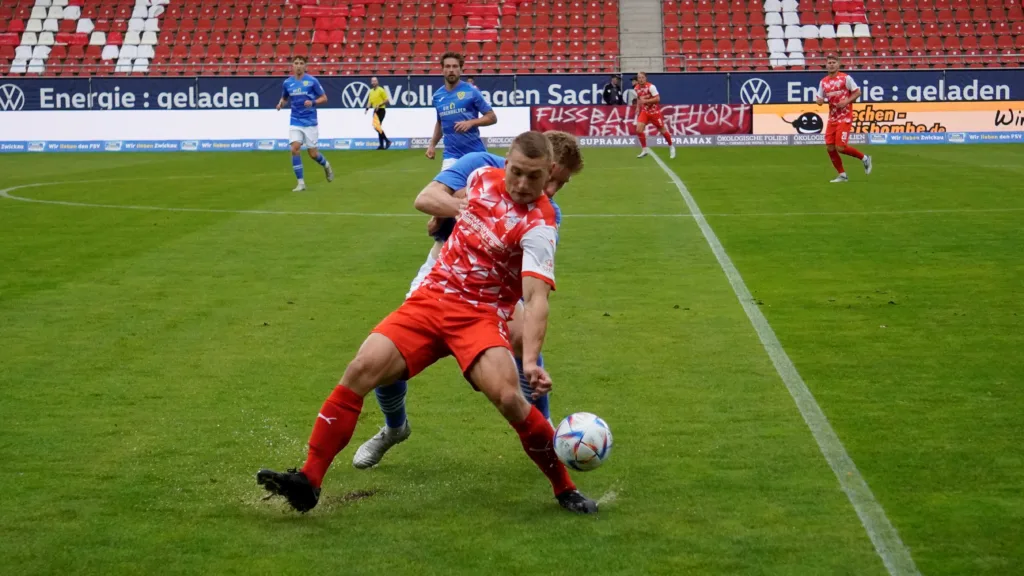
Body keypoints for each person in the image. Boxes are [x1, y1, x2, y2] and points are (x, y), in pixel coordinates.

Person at [257, 131, 598, 515]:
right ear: (505, 163)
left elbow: (535, 298)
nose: (522, 185)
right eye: (516, 172)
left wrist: (532, 361)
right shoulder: (478, 176)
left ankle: (564, 488)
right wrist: (452, 208)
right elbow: (428, 199)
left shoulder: (541, 222)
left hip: (480, 315)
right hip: (432, 297)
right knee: (361, 369)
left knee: (508, 397)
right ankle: (309, 481)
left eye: (534, 177)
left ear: (547, 172)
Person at [352, 131, 583, 470]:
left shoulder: (549, 212)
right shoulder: (479, 165)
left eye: (558, 184)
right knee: (388, 361)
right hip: (441, 275)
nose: (550, 191)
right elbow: (427, 198)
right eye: (552, 180)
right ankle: (394, 427)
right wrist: (467, 208)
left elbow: (527, 274)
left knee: (524, 343)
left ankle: (543, 434)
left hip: (491, 292)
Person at [425, 52, 498, 169]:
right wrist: (432, 145)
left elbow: (492, 117)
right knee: (446, 187)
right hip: (451, 156)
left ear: (461, 69)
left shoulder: (471, 91)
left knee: (479, 187)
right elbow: (440, 122)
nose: (451, 70)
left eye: (455, 66)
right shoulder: (437, 96)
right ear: (442, 70)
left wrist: (471, 122)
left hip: (475, 153)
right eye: (447, 66)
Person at [276, 55, 333, 192]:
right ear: (292, 66)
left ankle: (326, 165)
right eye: (296, 63)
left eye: (301, 63)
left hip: (310, 121)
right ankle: (301, 183)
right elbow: (284, 98)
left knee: (313, 154)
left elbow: (324, 98)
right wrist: (280, 104)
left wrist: (312, 102)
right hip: (295, 120)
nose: (299, 65)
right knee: (294, 148)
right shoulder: (287, 83)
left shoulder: (312, 81)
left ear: (305, 66)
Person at [816, 53, 872, 183]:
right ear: (826, 65)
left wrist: (846, 101)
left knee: (840, 147)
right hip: (832, 118)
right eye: (829, 62)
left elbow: (857, 92)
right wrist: (819, 101)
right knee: (830, 147)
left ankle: (865, 158)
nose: (831, 65)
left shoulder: (845, 78)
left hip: (845, 117)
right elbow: (820, 99)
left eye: (834, 62)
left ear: (838, 64)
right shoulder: (823, 82)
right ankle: (842, 175)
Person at [633, 72, 676, 159]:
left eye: (642, 77)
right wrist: (638, 107)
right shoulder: (636, 88)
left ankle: (671, 146)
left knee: (662, 130)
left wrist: (647, 101)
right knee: (638, 130)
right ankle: (644, 150)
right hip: (645, 112)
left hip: (654, 112)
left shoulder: (651, 87)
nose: (640, 79)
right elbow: (639, 98)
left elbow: (658, 99)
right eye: (639, 78)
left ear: (645, 78)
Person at [365, 76, 391, 150]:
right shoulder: (370, 91)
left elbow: (387, 100)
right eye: (372, 81)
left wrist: (379, 104)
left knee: (377, 127)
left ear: (377, 82)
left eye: (375, 81)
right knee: (378, 127)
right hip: (375, 110)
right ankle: (382, 145)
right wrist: (367, 108)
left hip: (381, 110)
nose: (373, 82)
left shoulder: (381, 90)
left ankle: (387, 141)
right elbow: (370, 101)